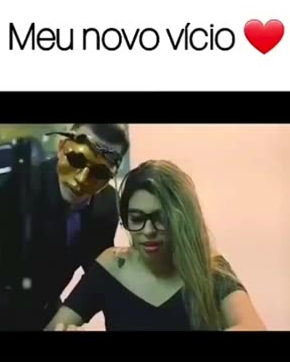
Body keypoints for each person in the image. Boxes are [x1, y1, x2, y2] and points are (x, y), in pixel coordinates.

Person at [45, 160, 265, 331]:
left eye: (160, 218)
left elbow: (253, 327)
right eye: (136, 218)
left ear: (181, 219)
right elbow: (55, 327)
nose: (148, 231)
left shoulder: (210, 267)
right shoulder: (112, 266)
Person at [19, 124, 130, 330]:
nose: (81, 179)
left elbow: (97, 277)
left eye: (100, 172)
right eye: (77, 160)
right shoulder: (20, 186)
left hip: (46, 313)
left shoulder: (106, 205)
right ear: (61, 147)